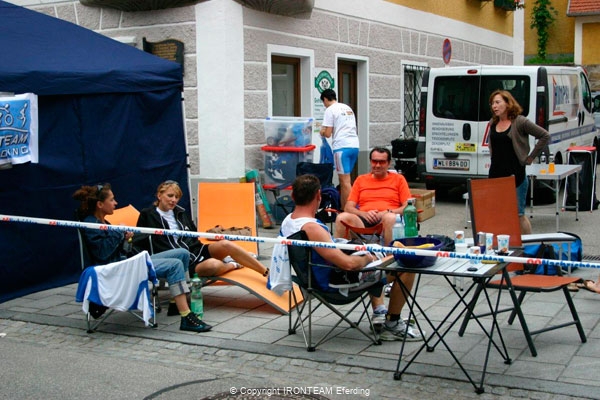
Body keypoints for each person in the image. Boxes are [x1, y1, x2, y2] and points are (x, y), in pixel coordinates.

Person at [281, 174, 424, 341]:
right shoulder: (313, 228)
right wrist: (368, 258)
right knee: (405, 265)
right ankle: (392, 324)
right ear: (318, 195)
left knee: (375, 256)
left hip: (311, 278)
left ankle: (379, 311)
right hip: (335, 283)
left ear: (293, 196)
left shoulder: (289, 221)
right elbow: (349, 265)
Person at [73, 183, 212, 333]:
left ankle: (175, 303)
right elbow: (103, 254)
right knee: (175, 265)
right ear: (100, 204)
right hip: (117, 268)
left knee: (182, 253)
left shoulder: (103, 222)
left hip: (127, 261)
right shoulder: (91, 225)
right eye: (112, 200)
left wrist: (126, 238)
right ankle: (186, 316)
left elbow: (120, 249)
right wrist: (119, 233)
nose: (116, 203)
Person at [334, 146, 417, 331]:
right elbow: (349, 206)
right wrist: (364, 213)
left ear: (388, 163)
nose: (377, 165)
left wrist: (386, 212)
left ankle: (389, 264)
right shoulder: (361, 180)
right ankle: (338, 261)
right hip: (365, 220)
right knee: (342, 217)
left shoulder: (398, 179)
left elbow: (407, 206)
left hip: (388, 219)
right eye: (374, 161)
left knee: (389, 218)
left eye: (381, 162)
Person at [135, 180, 269, 280]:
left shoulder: (180, 212)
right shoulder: (148, 214)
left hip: (195, 250)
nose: (173, 200)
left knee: (225, 244)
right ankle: (233, 264)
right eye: (170, 196)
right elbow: (139, 240)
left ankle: (266, 272)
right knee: (213, 265)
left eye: (176, 197)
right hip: (180, 261)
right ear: (159, 195)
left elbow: (194, 235)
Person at [488, 90, 550, 235]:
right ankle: (504, 243)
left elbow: (544, 135)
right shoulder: (493, 122)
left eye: (497, 102)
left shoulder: (520, 121)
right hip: (496, 175)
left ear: (508, 103)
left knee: (518, 214)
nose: (494, 106)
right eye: (492, 103)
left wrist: (530, 157)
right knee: (498, 213)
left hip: (516, 175)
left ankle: (528, 244)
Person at [319, 88, 359, 209]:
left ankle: (351, 209)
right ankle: (343, 208)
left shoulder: (330, 110)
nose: (324, 105)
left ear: (325, 99)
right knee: (346, 181)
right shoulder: (347, 108)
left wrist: (322, 131)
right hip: (354, 146)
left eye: (323, 102)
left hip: (341, 147)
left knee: (345, 182)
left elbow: (328, 133)